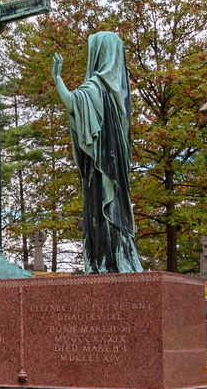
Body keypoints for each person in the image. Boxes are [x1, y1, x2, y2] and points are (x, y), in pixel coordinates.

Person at [52, 32, 144, 274]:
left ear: (99, 55)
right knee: (115, 208)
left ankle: (106, 261)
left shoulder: (96, 87)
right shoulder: (120, 95)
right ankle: (117, 258)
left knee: (100, 210)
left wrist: (58, 78)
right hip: (116, 168)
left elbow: (72, 102)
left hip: (101, 168)